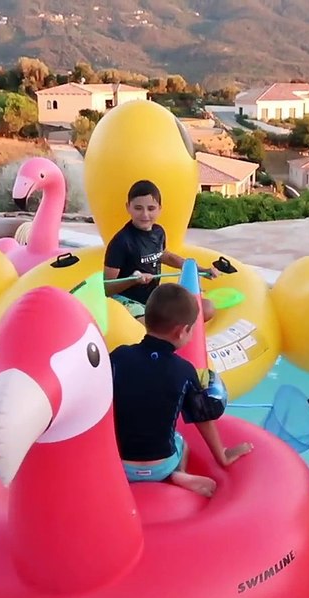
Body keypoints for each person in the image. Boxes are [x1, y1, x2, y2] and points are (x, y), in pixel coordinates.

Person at [110, 283, 252, 497]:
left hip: (119, 466)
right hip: (161, 466)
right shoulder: (184, 370)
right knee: (181, 442)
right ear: (182, 331)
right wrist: (222, 455)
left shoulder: (119, 357)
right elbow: (202, 418)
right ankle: (178, 473)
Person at [104, 180, 219, 321]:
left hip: (153, 298)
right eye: (138, 208)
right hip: (127, 301)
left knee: (207, 308)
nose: (145, 214)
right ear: (128, 207)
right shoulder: (121, 242)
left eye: (151, 208)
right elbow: (107, 288)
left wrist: (201, 270)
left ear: (159, 208)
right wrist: (133, 280)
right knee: (154, 326)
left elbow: (165, 256)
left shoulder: (159, 232)